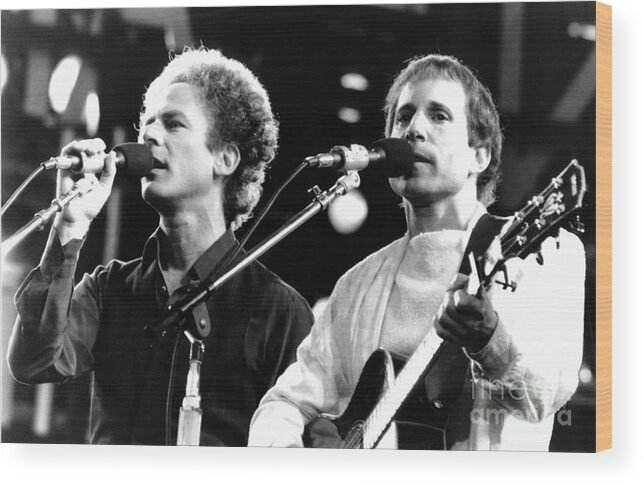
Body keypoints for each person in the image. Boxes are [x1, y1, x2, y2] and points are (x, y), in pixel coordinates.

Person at [247, 54, 586, 451]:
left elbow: (544, 398)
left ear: (480, 155)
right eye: (404, 116)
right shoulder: (355, 285)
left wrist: (490, 343)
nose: (414, 129)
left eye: (439, 115)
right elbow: (283, 404)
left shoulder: (541, 254)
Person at [7, 47, 314, 446]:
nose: (149, 136)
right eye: (147, 125)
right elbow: (33, 362)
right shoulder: (108, 289)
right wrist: (70, 224)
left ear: (225, 158)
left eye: (173, 124)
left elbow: (314, 447)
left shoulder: (279, 311)